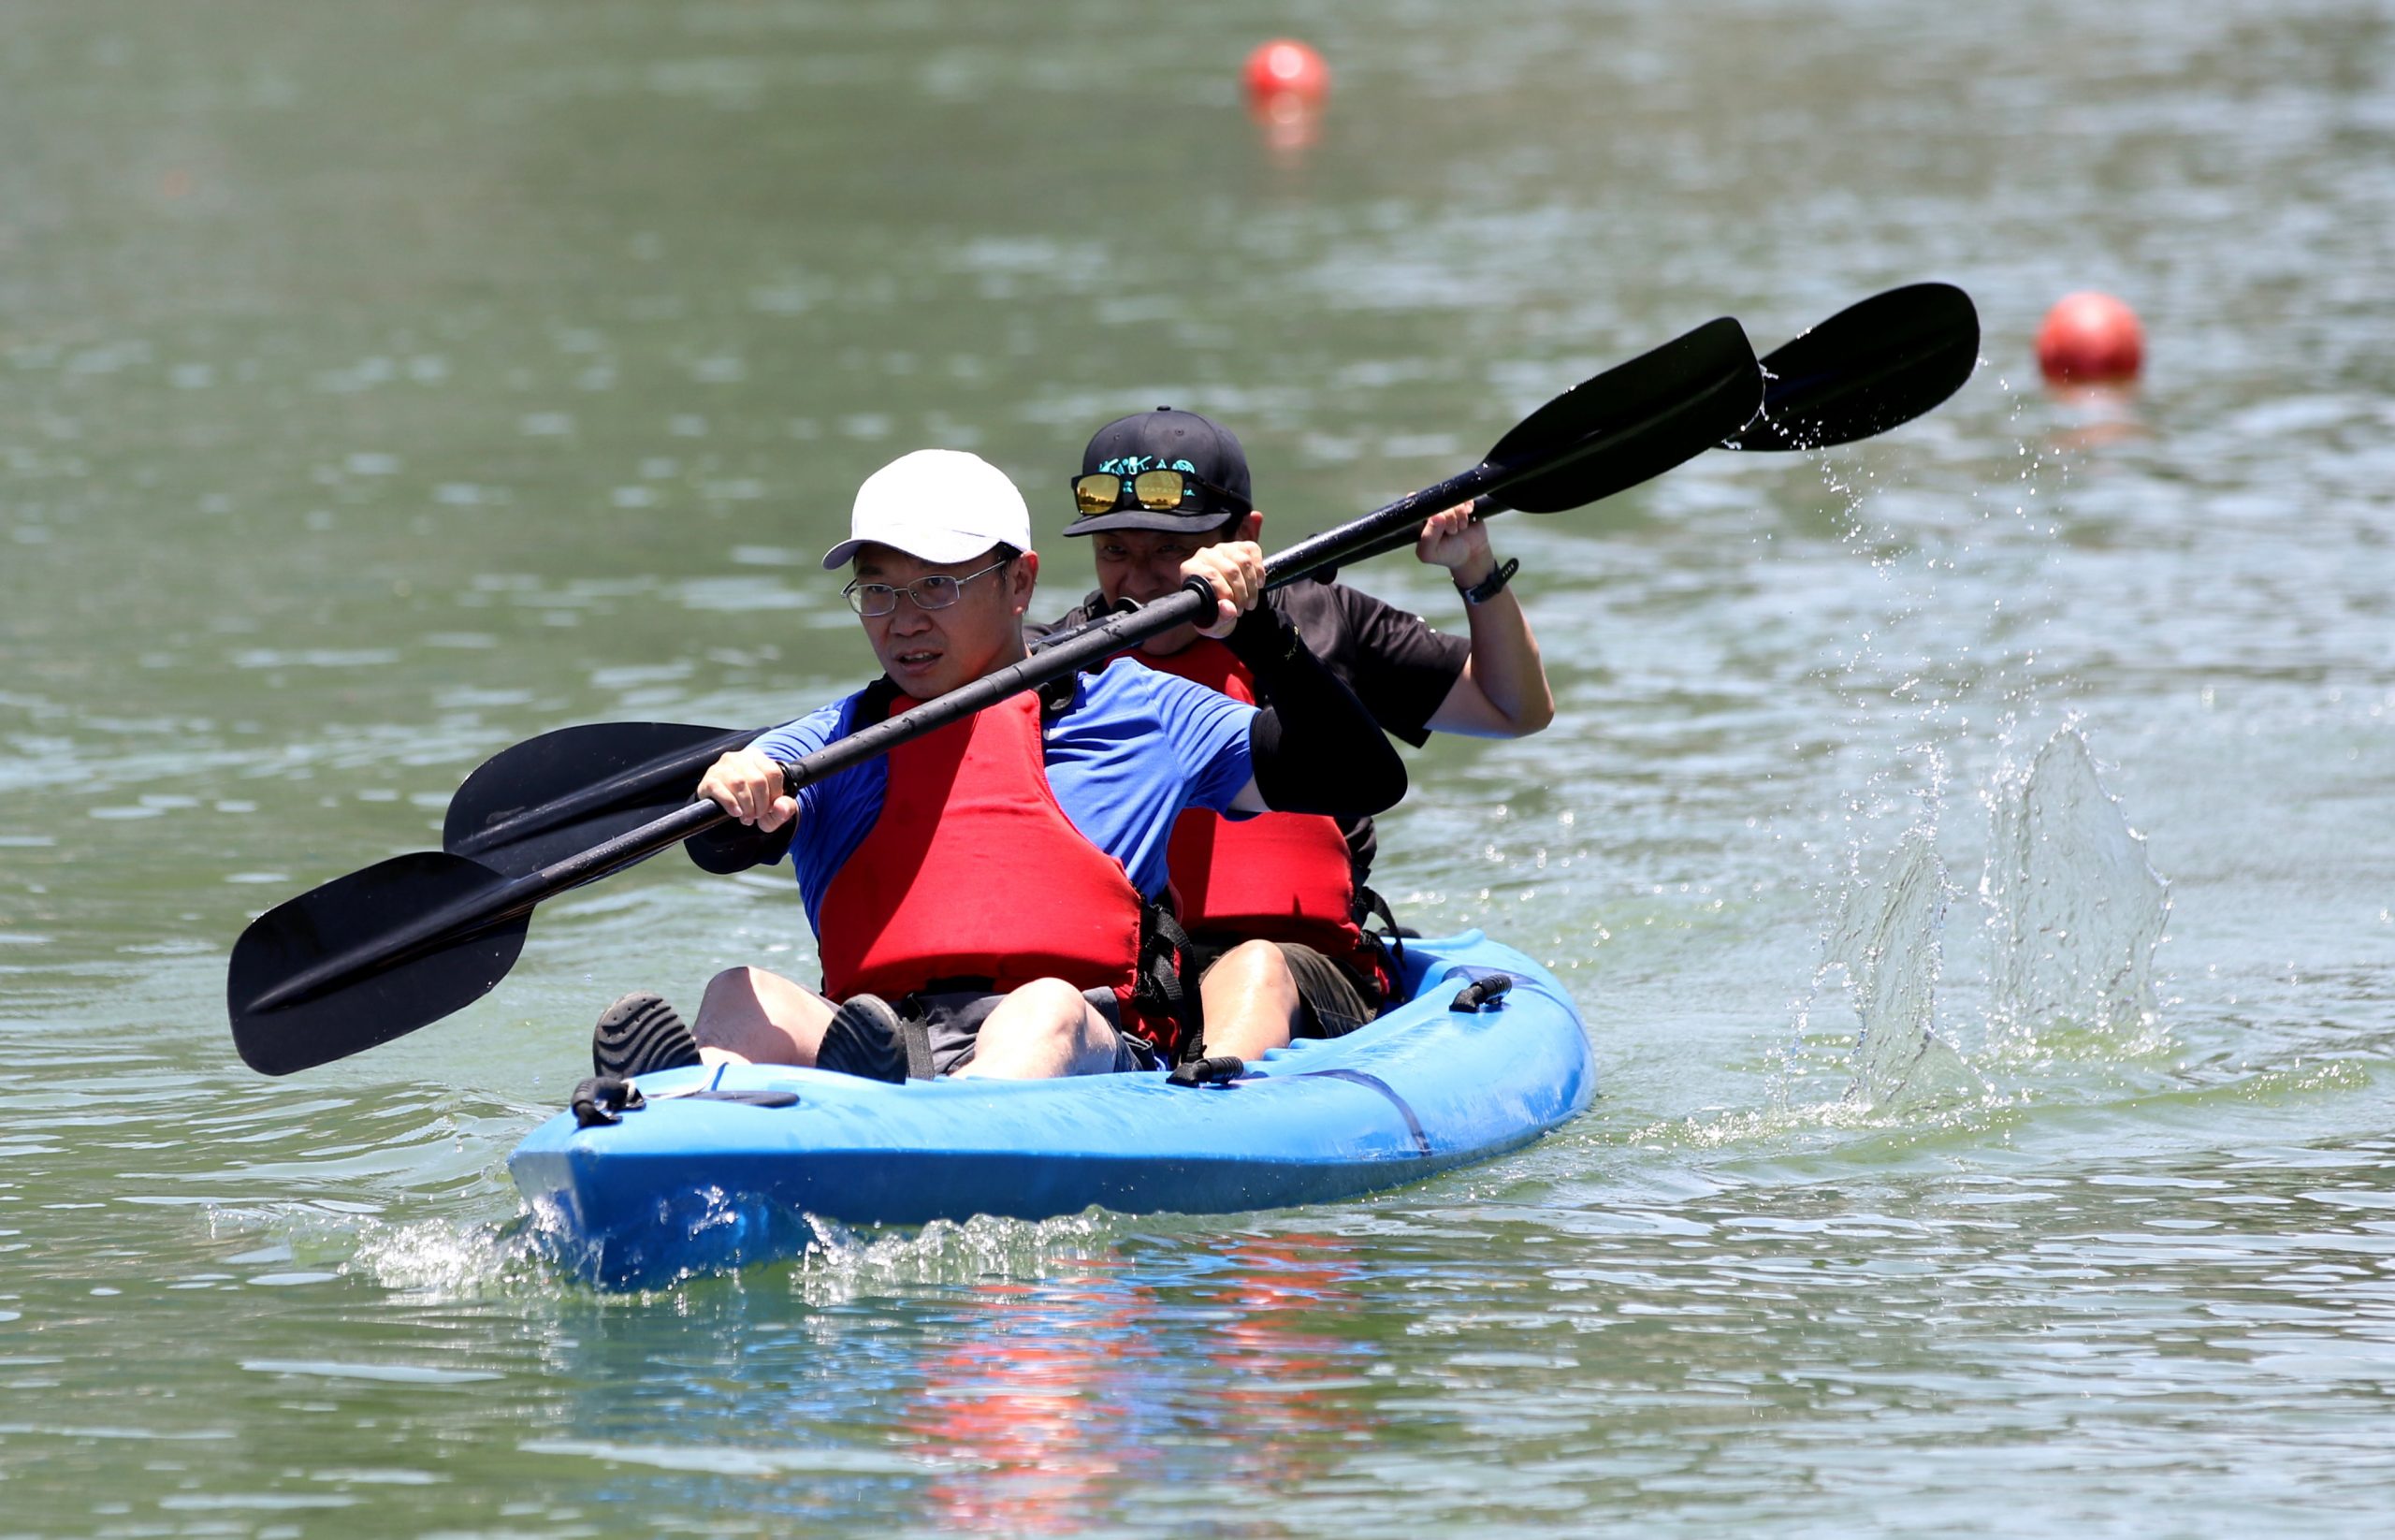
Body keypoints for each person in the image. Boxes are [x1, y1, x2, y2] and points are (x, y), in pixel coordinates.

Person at [588, 446, 1406, 1083]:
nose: (903, 621)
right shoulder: (832, 739)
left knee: (1039, 1009)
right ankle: (678, 1115)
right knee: (739, 994)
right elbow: (725, 842)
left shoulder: (1142, 709)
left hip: (1087, 1045)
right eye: (879, 592)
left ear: (1020, 581)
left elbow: (1361, 779)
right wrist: (738, 793)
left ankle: (914, 1127)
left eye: (936, 587)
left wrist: (1263, 632)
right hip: (888, 1034)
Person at [1047, 408, 1555, 1062]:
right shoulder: (1057, 663)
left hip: (1310, 977)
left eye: (1169, 551)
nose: (1140, 581)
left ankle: (1214, 1110)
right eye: (1116, 550)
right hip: (1141, 987)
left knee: (1256, 966)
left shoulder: (1319, 621)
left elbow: (1513, 708)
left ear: (1246, 535)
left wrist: (1474, 567)